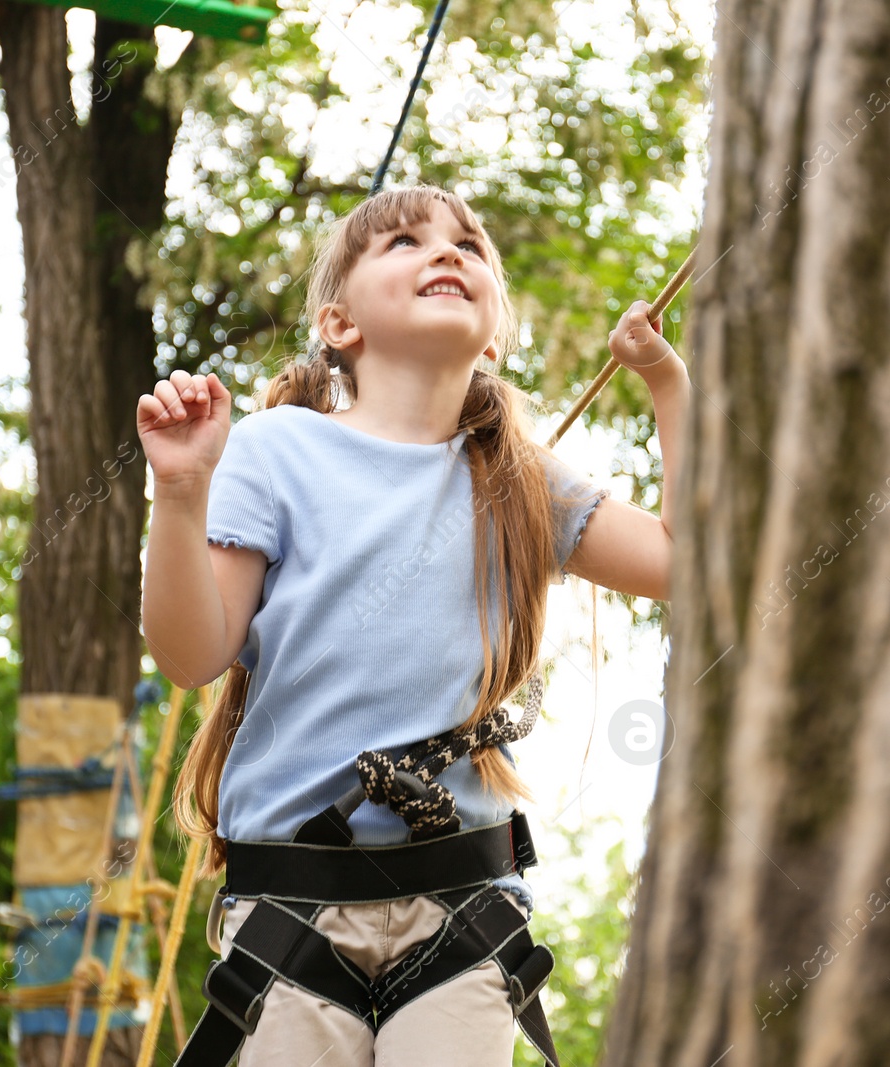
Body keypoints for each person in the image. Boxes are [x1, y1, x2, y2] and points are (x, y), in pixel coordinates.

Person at [138, 183, 685, 1067]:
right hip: (293, 907)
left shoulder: (518, 478)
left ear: (495, 332)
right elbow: (191, 653)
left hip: (461, 906)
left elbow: (686, 562)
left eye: (469, 244)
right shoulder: (277, 449)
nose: (447, 251)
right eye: (404, 242)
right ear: (340, 322)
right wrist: (180, 493)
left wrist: (666, 379)